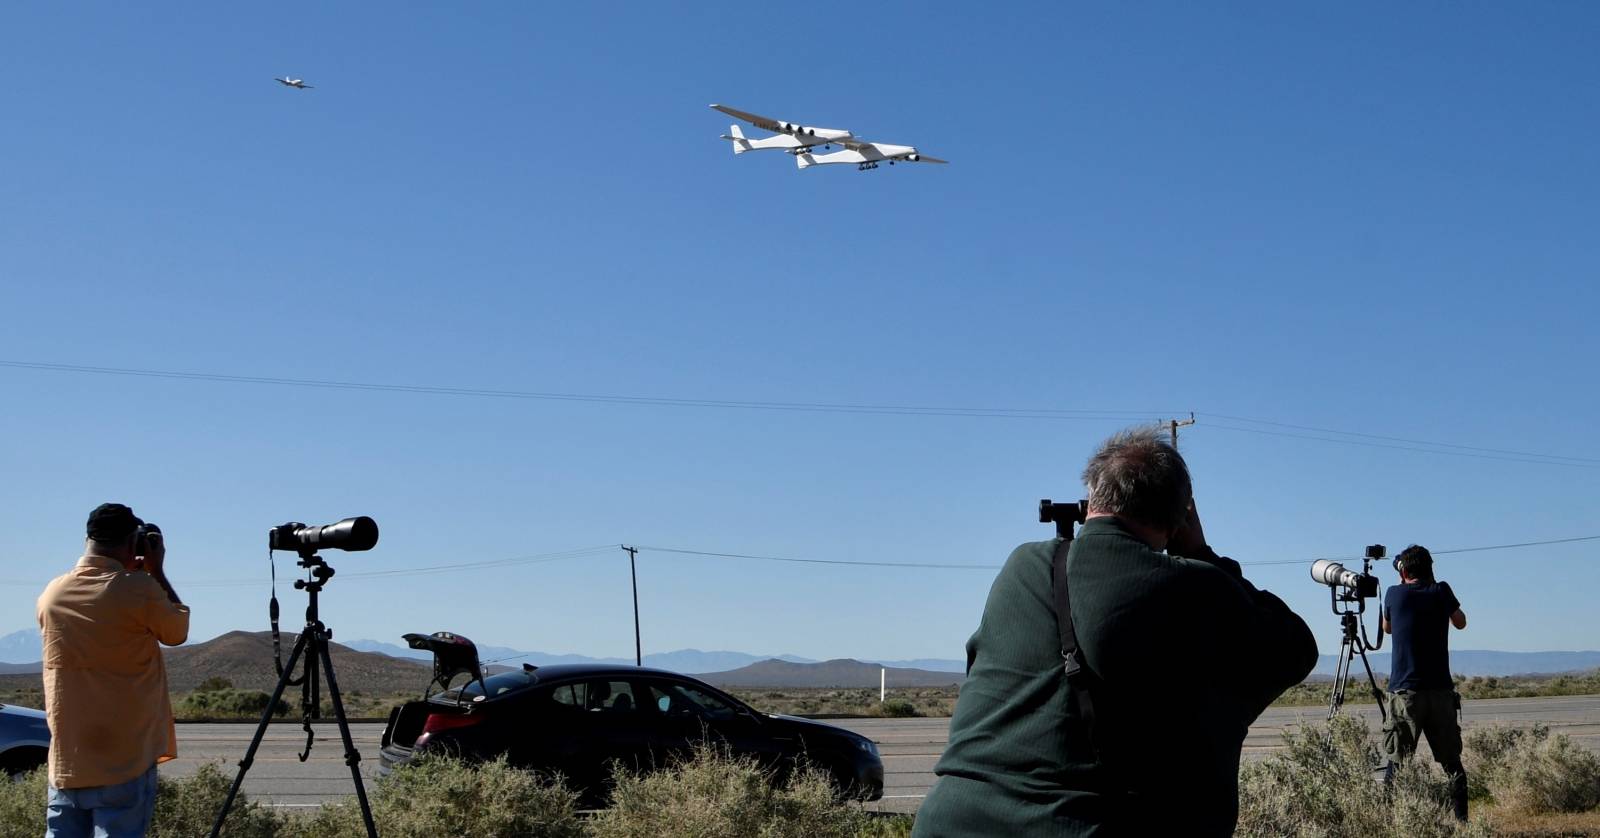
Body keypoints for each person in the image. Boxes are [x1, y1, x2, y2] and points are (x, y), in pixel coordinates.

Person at [914, 427, 1318, 837]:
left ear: (1093, 498)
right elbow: (1295, 648)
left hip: (951, 820)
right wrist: (1201, 554)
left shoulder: (1022, 566)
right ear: (1179, 517)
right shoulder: (1188, 585)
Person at [37, 503, 190, 838]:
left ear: (88, 539)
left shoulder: (52, 594)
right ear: (131, 541)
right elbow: (176, 631)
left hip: (68, 762)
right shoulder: (138, 588)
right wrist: (156, 571)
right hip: (124, 759)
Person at [1381, 544, 1468, 821]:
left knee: (1397, 762)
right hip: (1440, 691)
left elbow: (1387, 628)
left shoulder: (1395, 593)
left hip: (1405, 692)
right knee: (1452, 763)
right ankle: (1462, 821)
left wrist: (1401, 582)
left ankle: (1389, 819)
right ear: (1431, 568)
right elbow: (1461, 622)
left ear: (1403, 571)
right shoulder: (1441, 591)